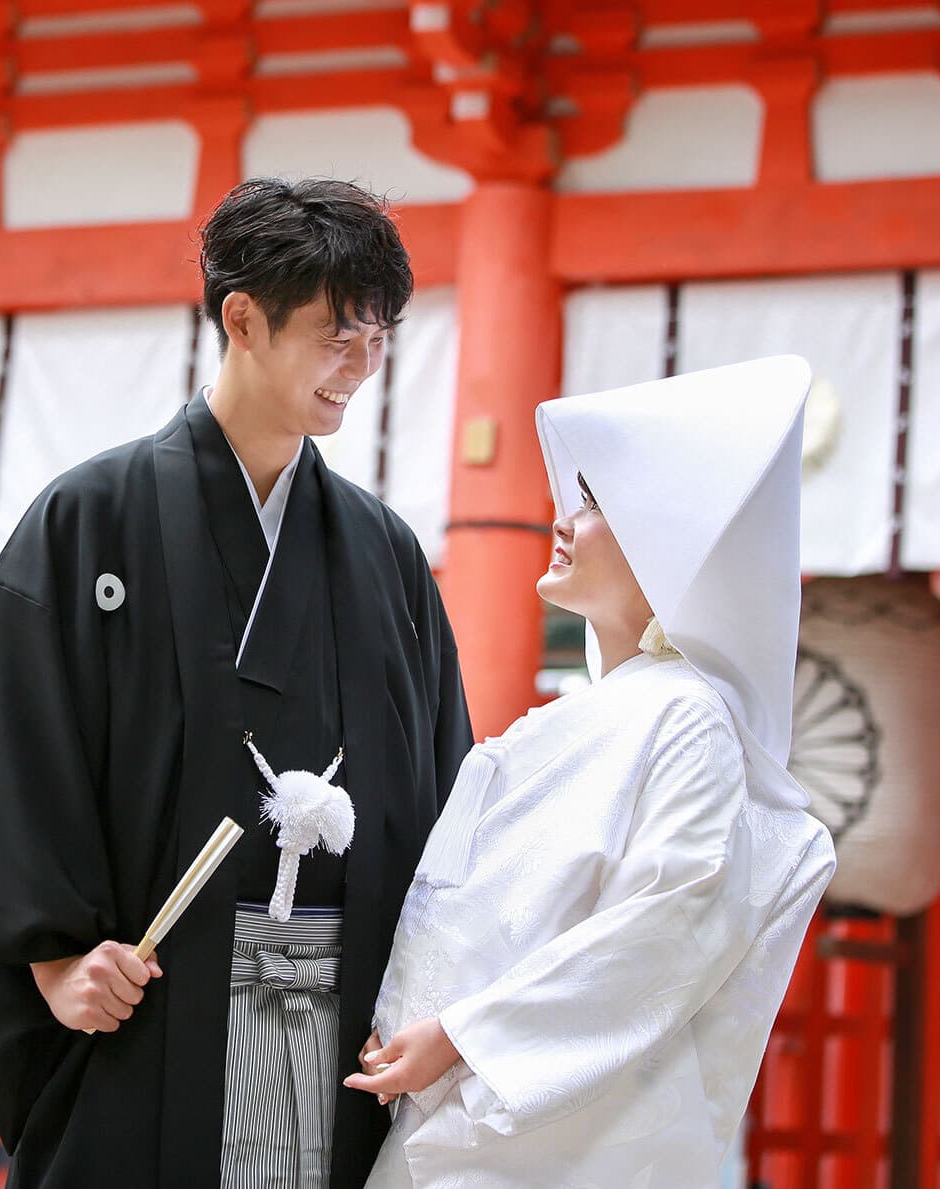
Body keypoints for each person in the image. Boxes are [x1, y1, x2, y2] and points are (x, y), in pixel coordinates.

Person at [0, 178, 474, 1189]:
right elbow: (10, 761)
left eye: (379, 338)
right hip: (150, 1002)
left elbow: (444, 794)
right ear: (240, 319)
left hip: (317, 1009)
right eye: (338, 336)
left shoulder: (383, 556)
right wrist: (55, 961)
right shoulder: (89, 521)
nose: (362, 368)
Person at [346, 356, 837, 1187]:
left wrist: (466, 1034)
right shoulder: (592, 713)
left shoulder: (687, 715)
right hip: (461, 1118)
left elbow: (667, 923)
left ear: (672, 548)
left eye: (598, 503)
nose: (564, 519)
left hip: (552, 1140)